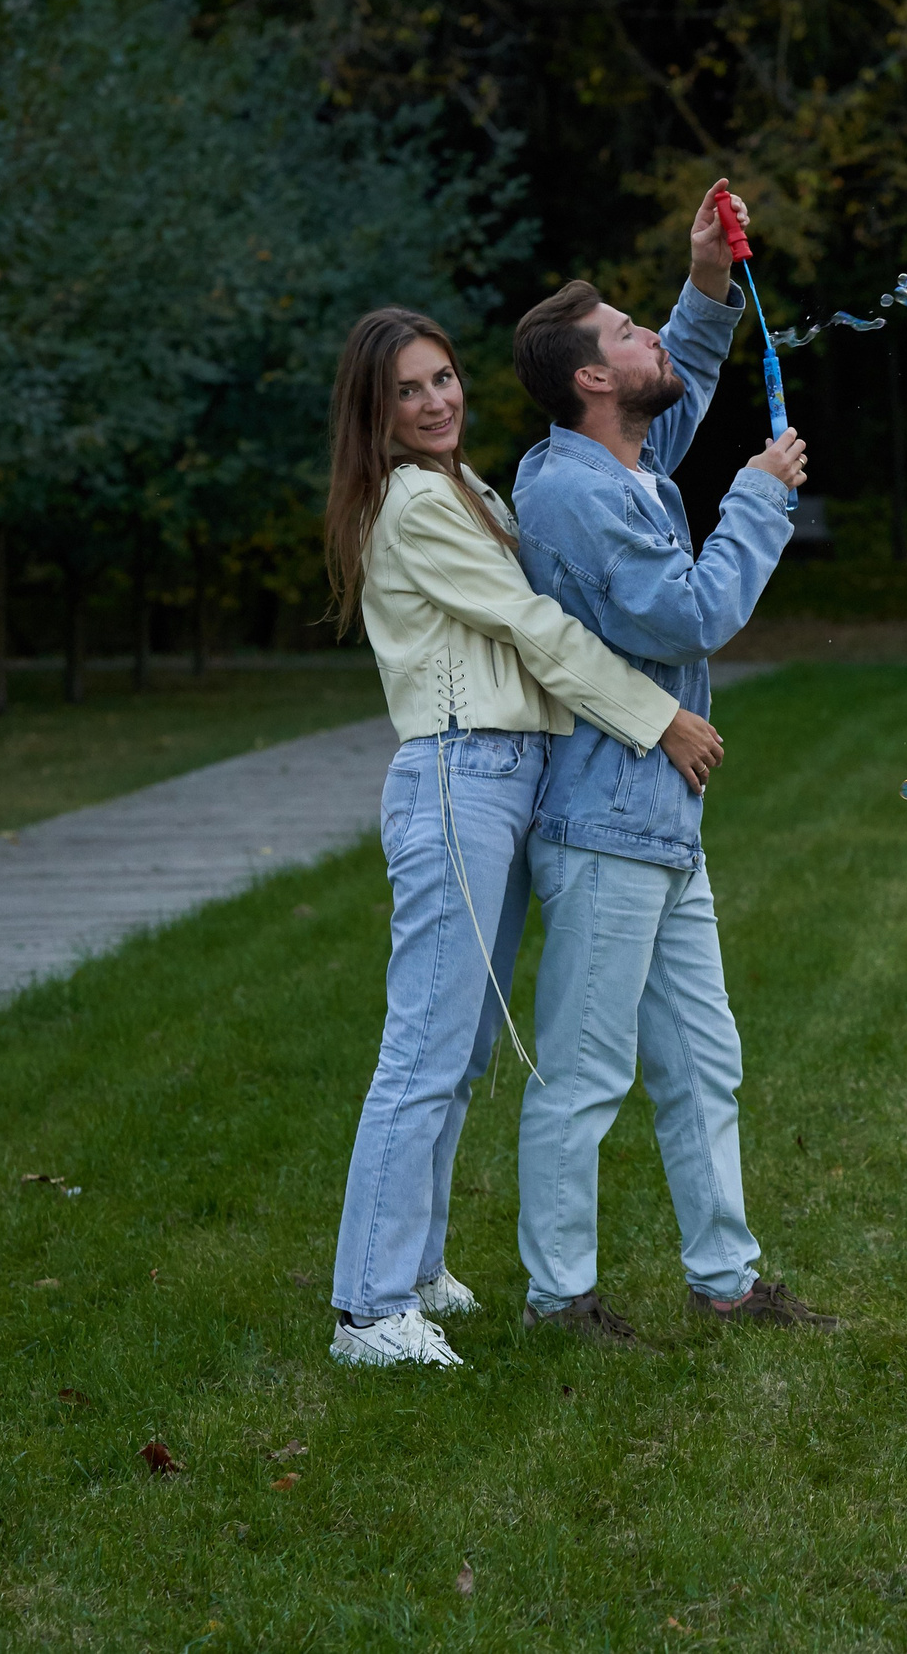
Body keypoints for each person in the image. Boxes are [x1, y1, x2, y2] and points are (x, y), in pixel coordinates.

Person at [322, 305, 726, 1369]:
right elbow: (536, 628)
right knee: (423, 1047)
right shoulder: (416, 504)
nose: (434, 402)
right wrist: (658, 717)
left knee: (460, 1052)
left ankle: (415, 1269)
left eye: (443, 378)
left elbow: (649, 436)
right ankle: (367, 1309)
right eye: (406, 391)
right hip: (458, 776)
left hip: (506, 779)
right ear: (374, 411)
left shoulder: (468, 486)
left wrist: (702, 295)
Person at [503, 182, 835, 1344]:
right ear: (593, 379)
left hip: (659, 822)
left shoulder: (619, 464)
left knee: (703, 1063)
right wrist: (759, 499)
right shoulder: (572, 495)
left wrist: (705, 281)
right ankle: (558, 1300)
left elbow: (677, 392)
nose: (650, 336)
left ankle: (727, 1281)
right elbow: (692, 615)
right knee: (585, 1073)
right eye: (629, 332)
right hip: (604, 828)